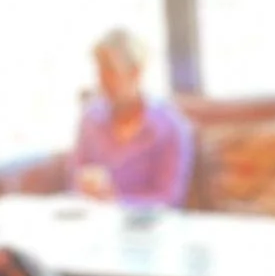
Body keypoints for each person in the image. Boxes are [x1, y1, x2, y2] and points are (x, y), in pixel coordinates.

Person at [71, 28, 196, 209]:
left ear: (136, 72)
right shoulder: (90, 119)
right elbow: (75, 179)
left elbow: (169, 199)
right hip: (96, 219)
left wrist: (116, 201)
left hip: (149, 223)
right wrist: (85, 187)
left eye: (110, 72)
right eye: (99, 72)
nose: (102, 81)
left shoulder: (170, 126)